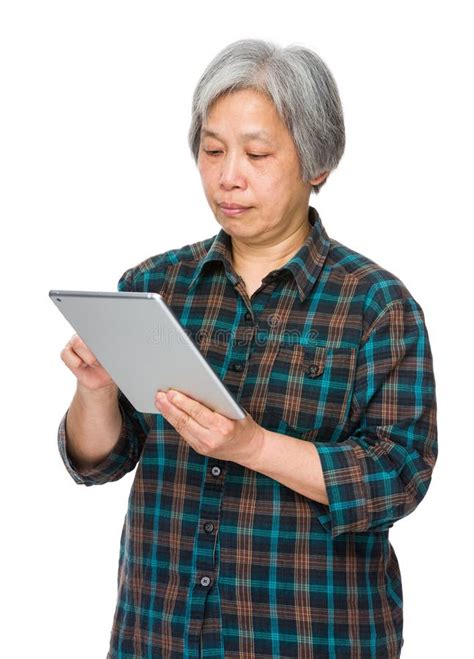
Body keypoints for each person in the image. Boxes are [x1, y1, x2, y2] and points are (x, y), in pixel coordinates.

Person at [57, 38, 437, 658]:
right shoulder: (154, 286)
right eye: (212, 151)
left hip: (311, 638)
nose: (228, 176)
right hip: (158, 632)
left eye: (256, 153)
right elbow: (97, 460)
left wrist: (252, 445)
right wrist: (94, 389)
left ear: (317, 165)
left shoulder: (377, 305)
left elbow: (398, 476)